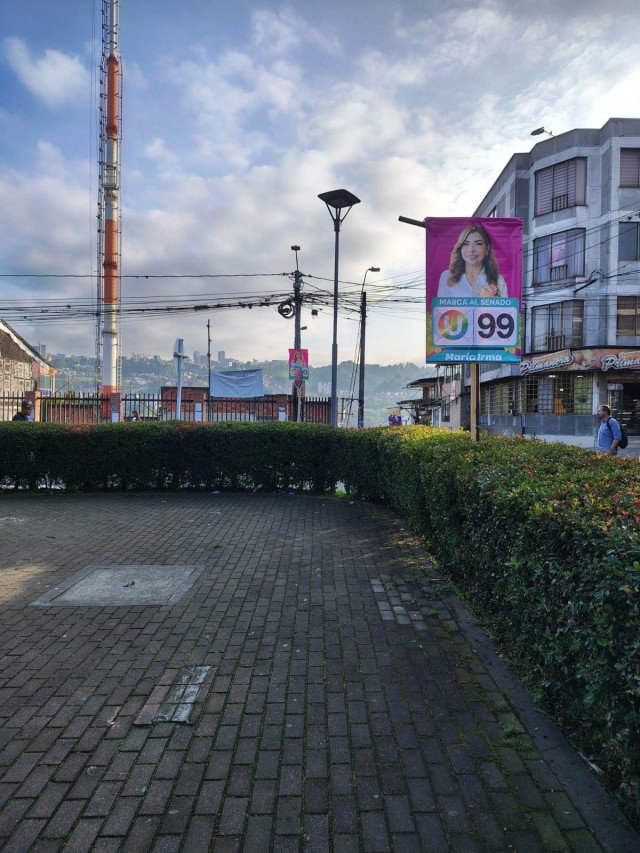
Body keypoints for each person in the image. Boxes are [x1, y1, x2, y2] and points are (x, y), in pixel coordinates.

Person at [438, 224, 507, 298]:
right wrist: (483, 301)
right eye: (466, 244)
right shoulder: (447, 277)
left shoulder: (498, 280)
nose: (471, 249)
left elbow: (506, 306)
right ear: (460, 248)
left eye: (478, 244)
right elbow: (441, 305)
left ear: (487, 249)